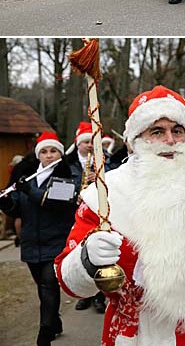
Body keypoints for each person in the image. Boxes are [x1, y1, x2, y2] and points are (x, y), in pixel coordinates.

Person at [55, 86, 185, 346]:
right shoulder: (106, 194)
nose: (170, 140)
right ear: (136, 139)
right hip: (137, 334)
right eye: (157, 131)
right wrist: (87, 259)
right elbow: (69, 281)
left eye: (178, 130)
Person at [0, 132, 76, 346]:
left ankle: (44, 334)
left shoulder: (65, 178)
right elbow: (17, 211)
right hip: (31, 242)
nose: (49, 156)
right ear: (38, 155)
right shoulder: (27, 177)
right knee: (41, 286)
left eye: (53, 151)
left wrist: (29, 190)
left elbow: (55, 204)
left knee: (49, 285)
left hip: (56, 242)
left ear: (59, 154)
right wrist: (6, 203)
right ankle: (54, 321)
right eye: (44, 151)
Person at [65, 121, 107, 314]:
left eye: (92, 141)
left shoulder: (106, 160)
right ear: (78, 144)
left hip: (98, 213)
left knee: (98, 255)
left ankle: (99, 296)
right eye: (85, 142)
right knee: (78, 254)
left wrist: (99, 177)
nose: (89, 145)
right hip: (73, 212)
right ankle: (85, 295)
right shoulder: (66, 164)